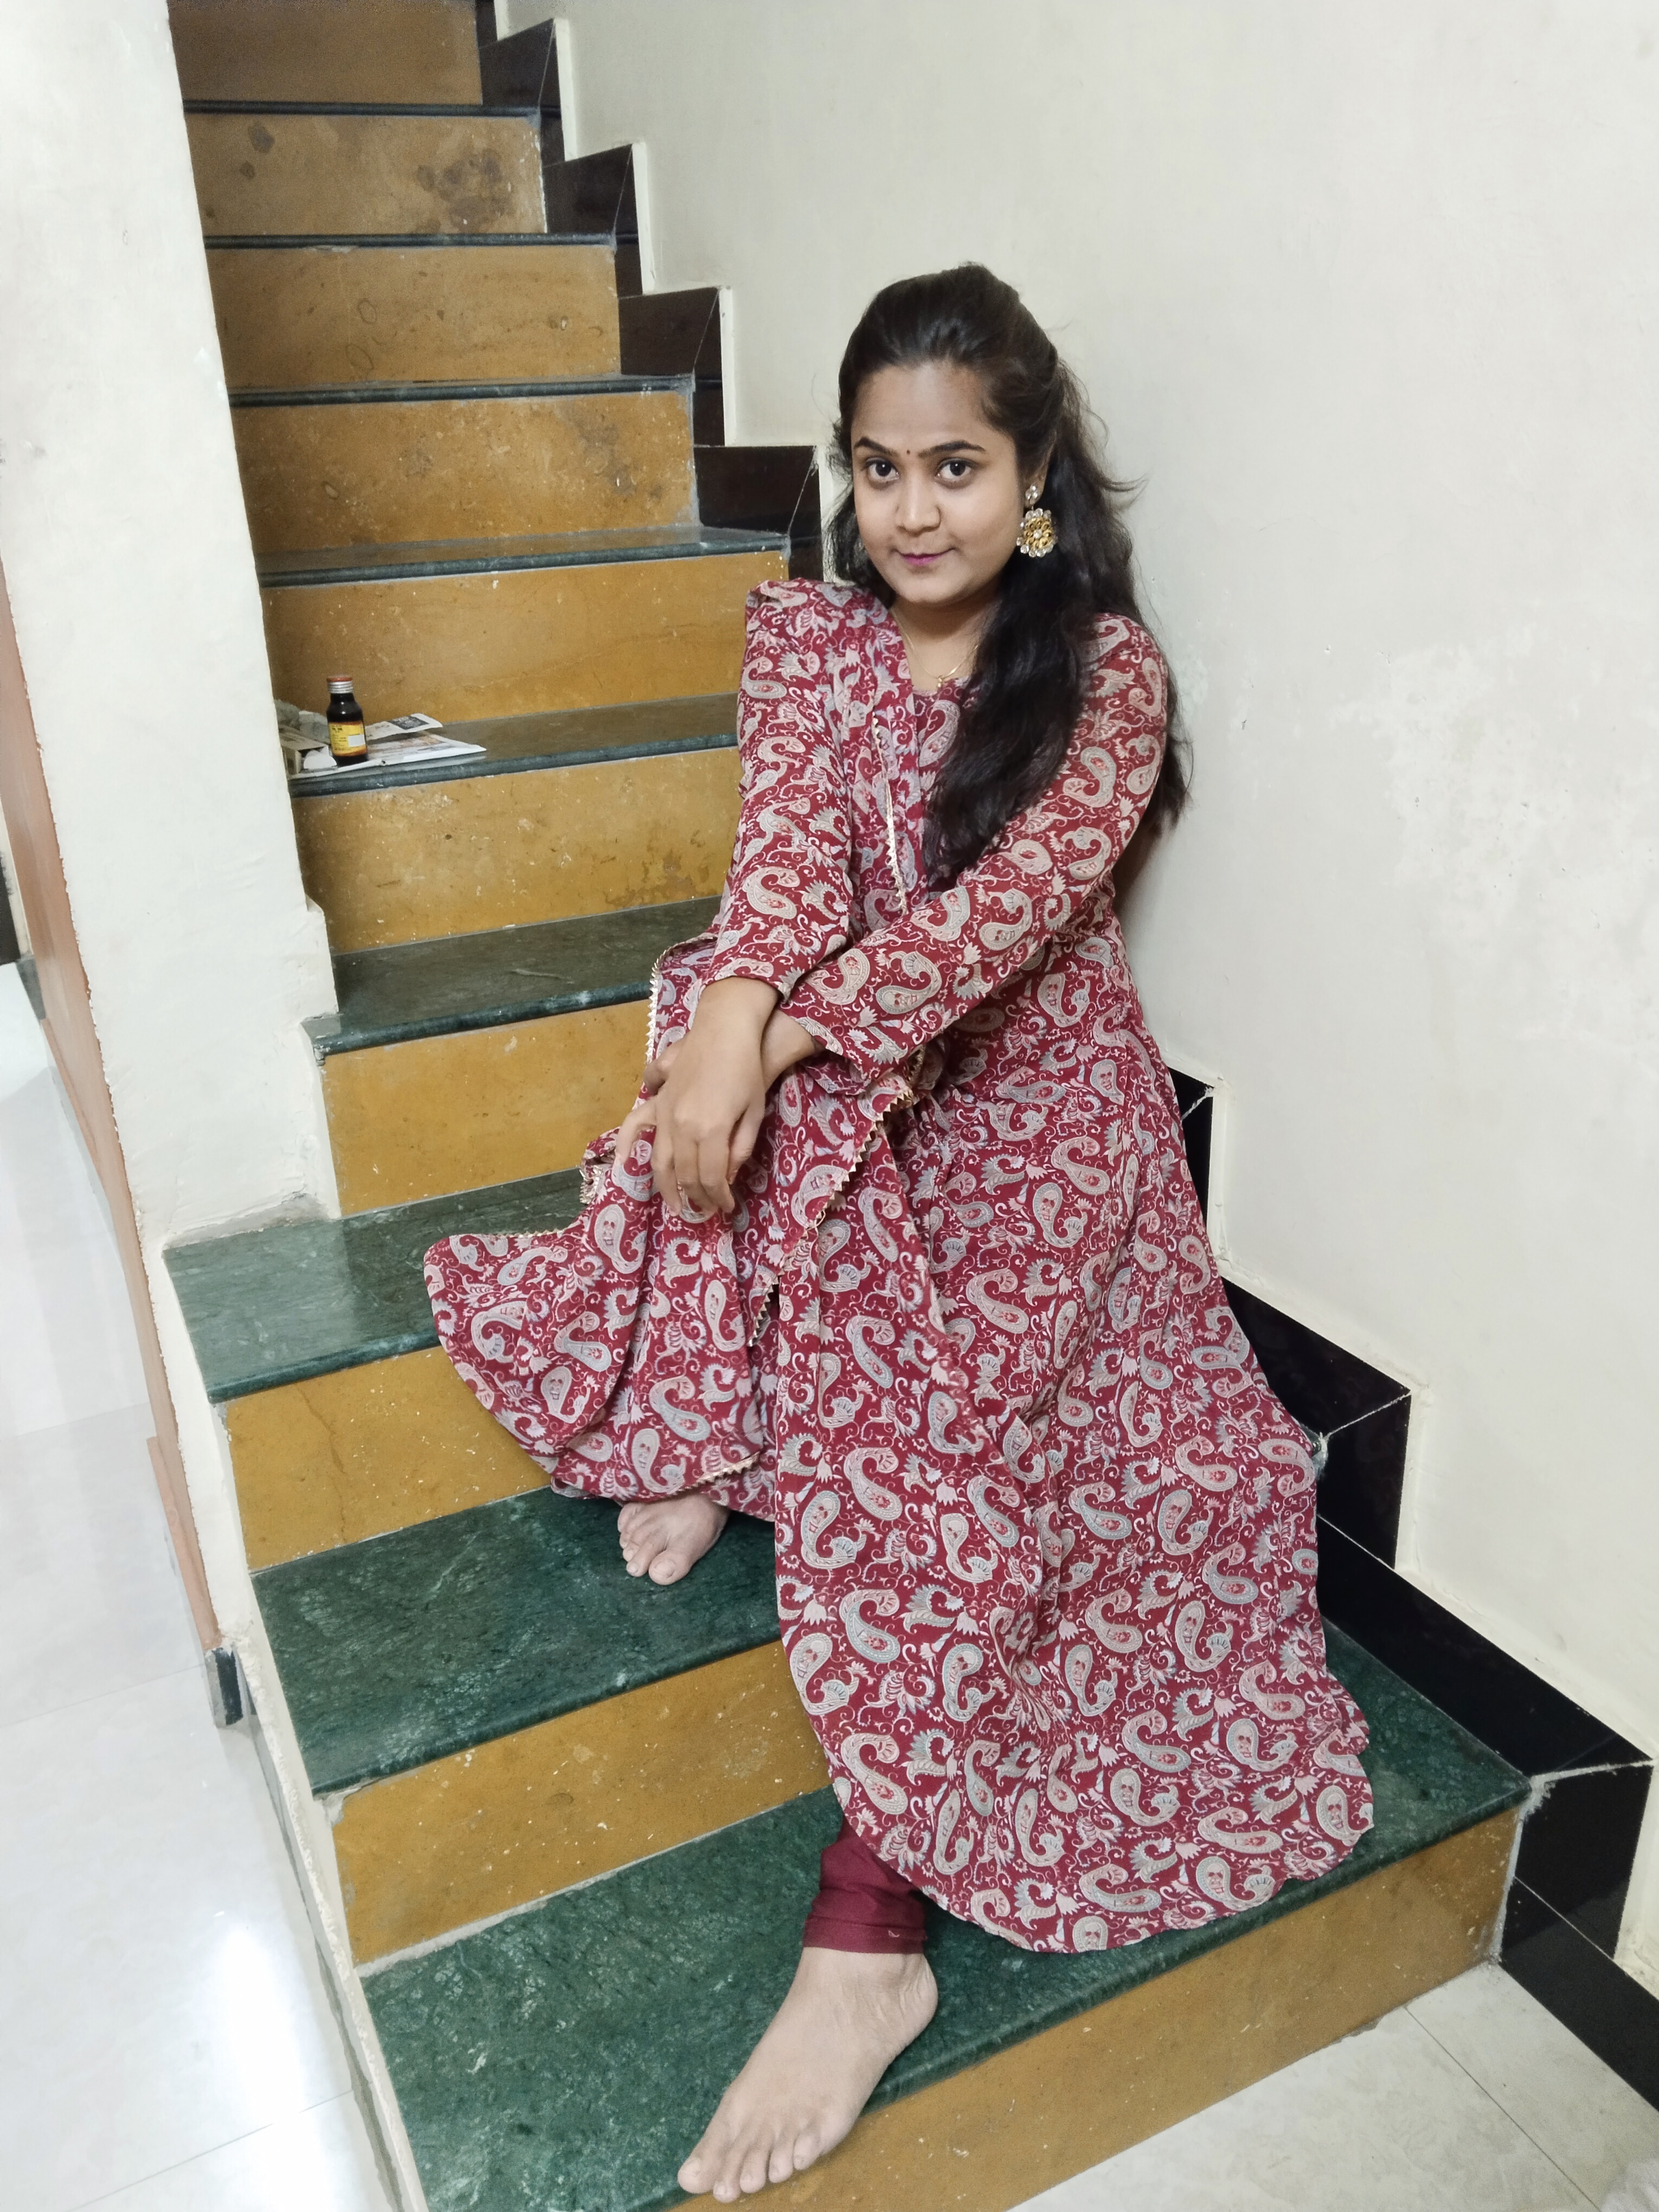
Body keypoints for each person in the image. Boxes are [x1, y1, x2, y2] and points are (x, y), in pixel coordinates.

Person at [425, 263, 1373, 2204]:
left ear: (1031, 486)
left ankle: (872, 1934)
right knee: (708, 1058)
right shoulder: (812, 643)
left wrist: (775, 1039)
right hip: (843, 1034)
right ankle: (715, 1425)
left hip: (1037, 1101)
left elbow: (1006, 919)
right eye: (877, 468)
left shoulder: (1102, 669)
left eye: (954, 468)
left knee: (947, 1379)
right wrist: (732, 1020)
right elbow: (781, 868)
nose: (911, 509)